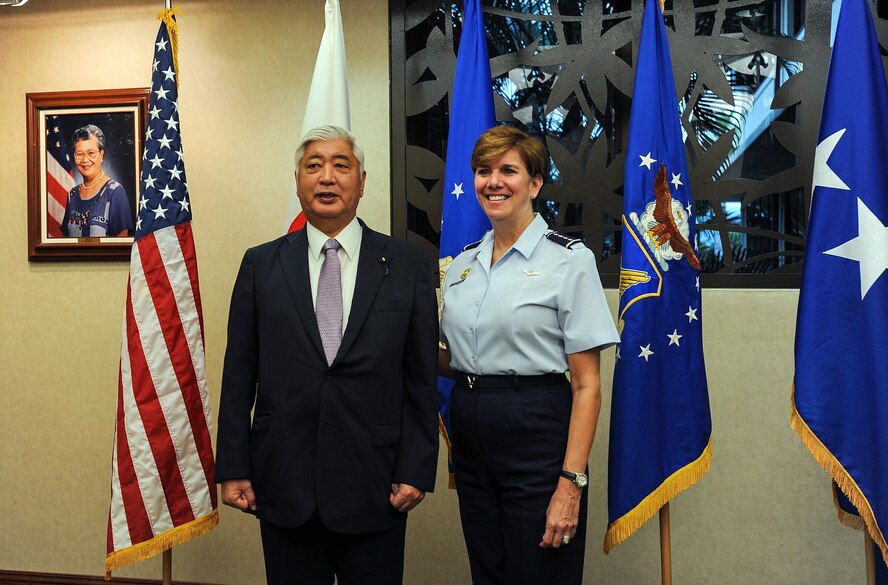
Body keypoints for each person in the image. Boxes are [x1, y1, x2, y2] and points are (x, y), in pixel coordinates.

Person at [215, 125, 439, 585]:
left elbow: (420, 378)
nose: (327, 177)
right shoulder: (260, 264)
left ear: (362, 180)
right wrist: (234, 465)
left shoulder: (408, 266)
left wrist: (417, 468)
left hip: (377, 485)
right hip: (284, 481)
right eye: (313, 165)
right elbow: (239, 375)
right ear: (297, 181)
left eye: (341, 165)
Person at [438, 125, 620, 585]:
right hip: (472, 432)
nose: (493, 181)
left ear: (535, 183)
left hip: (537, 428)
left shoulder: (568, 260)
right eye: (483, 171)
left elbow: (586, 385)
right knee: (489, 572)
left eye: (508, 170)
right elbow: (454, 357)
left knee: (540, 572)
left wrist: (570, 483)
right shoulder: (462, 264)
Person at [60, 124, 133, 237]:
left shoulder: (115, 192)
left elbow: (121, 247)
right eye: (80, 154)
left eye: (91, 153)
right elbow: (65, 242)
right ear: (74, 156)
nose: (85, 159)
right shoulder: (72, 195)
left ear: (101, 154)